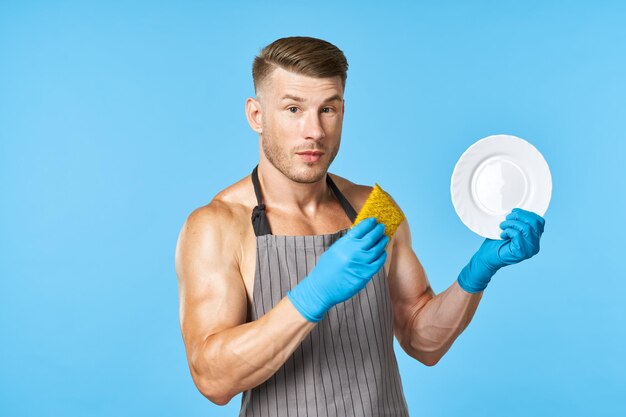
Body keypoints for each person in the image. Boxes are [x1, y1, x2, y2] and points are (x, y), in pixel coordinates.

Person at [174, 36, 546, 417]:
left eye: (328, 109)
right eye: (293, 109)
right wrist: (311, 297)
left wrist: (477, 272)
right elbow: (212, 379)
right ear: (256, 115)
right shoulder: (217, 225)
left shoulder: (375, 208)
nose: (314, 131)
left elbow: (423, 342)